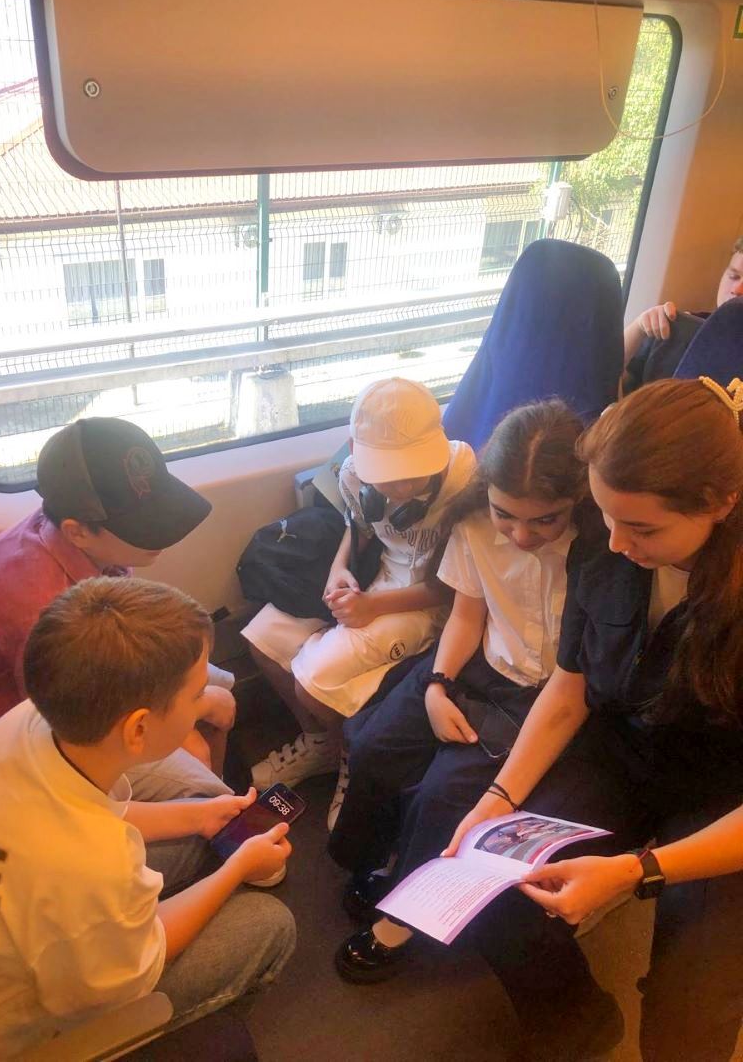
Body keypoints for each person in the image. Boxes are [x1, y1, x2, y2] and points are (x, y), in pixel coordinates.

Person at [345, 377, 743, 1062]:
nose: (616, 542)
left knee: (690, 1008)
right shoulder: (604, 549)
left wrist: (638, 871)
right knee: (496, 887)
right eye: (605, 516)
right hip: (620, 752)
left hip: (723, 795)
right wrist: (497, 800)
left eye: (642, 528)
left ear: (720, 502)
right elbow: (571, 687)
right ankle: (578, 1026)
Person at [0, 577, 296, 1057]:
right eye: (196, 695)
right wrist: (238, 868)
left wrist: (196, 816)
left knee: (198, 812)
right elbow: (142, 963)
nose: (204, 704)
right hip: (2, 1040)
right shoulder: (92, 865)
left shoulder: (26, 722)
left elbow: (87, 811)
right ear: (138, 728)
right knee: (269, 924)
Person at [328, 401, 597, 969]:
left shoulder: (596, 549)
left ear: (576, 501)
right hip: (475, 662)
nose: (521, 535)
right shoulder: (474, 525)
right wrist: (437, 685)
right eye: (506, 515)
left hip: (541, 691)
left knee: (444, 796)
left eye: (544, 521)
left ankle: (404, 917)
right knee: (374, 745)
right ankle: (375, 860)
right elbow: (467, 615)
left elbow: (573, 680)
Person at [0, 416, 236, 794]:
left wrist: (195, 704)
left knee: (221, 686)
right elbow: (72, 719)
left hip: (92, 660)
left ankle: (225, 795)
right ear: (77, 531)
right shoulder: (38, 607)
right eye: (143, 528)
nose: (162, 535)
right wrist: (196, 708)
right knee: (196, 753)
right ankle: (218, 808)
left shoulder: (77, 539)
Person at [241, 377, 476, 822]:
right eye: (388, 476)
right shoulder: (353, 473)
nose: (400, 489)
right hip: (377, 579)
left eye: (413, 474)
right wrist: (339, 569)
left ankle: (350, 752)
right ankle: (322, 744)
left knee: (312, 680)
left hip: (429, 600)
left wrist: (371, 608)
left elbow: (458, 585)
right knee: (261, 638)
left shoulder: (463, 478)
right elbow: (360, 529)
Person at [621, 236, 743, 393]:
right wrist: (638, 328)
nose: (737, 290)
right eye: (733, 276)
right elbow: (608, 382)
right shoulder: (678, 330)